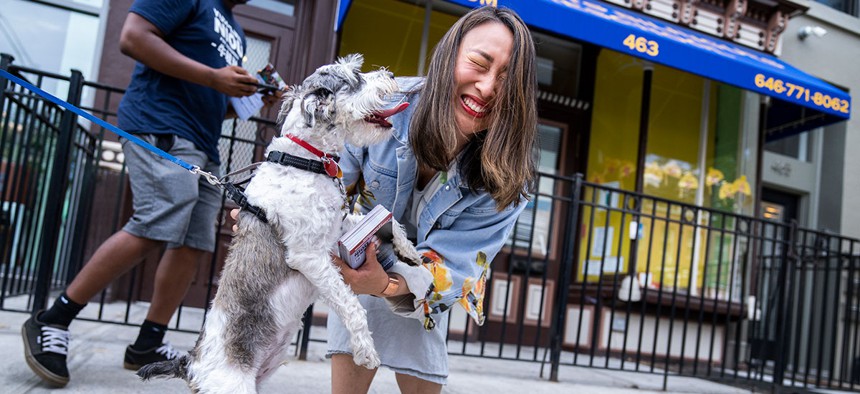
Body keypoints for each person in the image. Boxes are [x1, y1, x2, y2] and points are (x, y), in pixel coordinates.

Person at [21, 0, 280, 387]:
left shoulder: (235, 29)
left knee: (194, 243)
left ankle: (148, 342)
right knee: (157, 222)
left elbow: (211, 94)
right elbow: (133, 37)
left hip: (203, 143)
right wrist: (213, 77)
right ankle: (53, 319)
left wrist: (249, 96)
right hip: (160, 125)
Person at [327, 6, 537, 394]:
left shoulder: (509, 176)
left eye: (507, 79)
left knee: (416, 316)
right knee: (360, 311)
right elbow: (327, 180)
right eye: (478, 63)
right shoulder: (382, 109)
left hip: (425, 284)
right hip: (362, 253)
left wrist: (388, 285)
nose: (488, 88)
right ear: (449, 55)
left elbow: (456, 265)